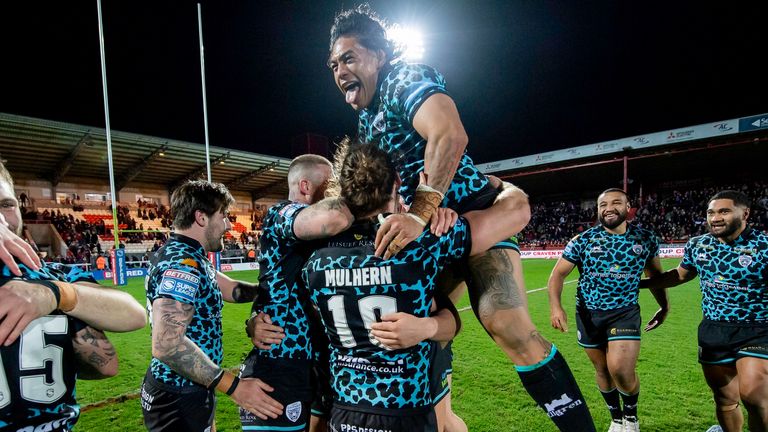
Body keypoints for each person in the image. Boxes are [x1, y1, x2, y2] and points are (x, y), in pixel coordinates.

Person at [327, 6, 593, 430]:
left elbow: (450, 134)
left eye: (349, 58)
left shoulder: (403, 78)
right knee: (414, 321)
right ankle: (446, 420)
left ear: (378, 55)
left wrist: (421, 211)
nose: (340, 71)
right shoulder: (365, 118)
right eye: (334, 64)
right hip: (434, 230)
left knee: (504, 322)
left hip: (476, 215)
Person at [302, 143, 530, 431]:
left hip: (346, 410)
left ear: (341, 188)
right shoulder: (419, 243)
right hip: (406, 409)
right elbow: (517, 211)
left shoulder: (314, 258)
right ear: (397, 182)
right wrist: (498, 187)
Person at [0, 160, 146, 431]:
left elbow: (133, 315)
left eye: (6, 205)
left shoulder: (51, 274)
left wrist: (56, 294)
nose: (0, 219)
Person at [141, 180, 283, 431]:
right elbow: (167, 345)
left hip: (191, 388)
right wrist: (235, 387)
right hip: (178, 396)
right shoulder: (182, 264)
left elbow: (232, 290)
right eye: (223, 215)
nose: (228, 225)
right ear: (201, 218)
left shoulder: (187, 255)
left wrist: (278, 290)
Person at [240, 154, 352, 432]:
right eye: (330, 185)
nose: (335, 191)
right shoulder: (281, 214)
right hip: (281, 364)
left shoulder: (330, 235)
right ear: (305, 186)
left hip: (317, 362)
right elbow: (332, 217)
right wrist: (364, 190)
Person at [641, 190, 768, 432]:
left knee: (754, 395)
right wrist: (640, 284)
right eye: (711, 213)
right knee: (725, 400)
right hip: (713, 330)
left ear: (745, 213)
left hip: (757, 329)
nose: (715, 218)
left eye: (724, 211)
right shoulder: (699, 244)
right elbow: (680, 275)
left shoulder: (763, 246)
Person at [548, 188, 669, 432]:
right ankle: (616, 418)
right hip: (588, 314)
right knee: (602, 369)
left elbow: (655, 275)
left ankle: (631, 418)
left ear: (628, 207)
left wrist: (664, 306)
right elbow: (557, 275)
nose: (608, 208)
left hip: (624, 312)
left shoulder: (645, 239)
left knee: (620, 370)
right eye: (603, 205)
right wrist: (556, 307)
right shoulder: (583, 240)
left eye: (616, 203)